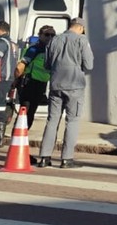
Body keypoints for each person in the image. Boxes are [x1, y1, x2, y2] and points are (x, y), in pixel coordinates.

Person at [37, 18, 94, 169]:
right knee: (72, 121)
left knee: (52, 120)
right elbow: (89, 64)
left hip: (56, 85)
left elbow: (47, 64)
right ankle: (66, 159)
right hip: (74, 85)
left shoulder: (54, 40)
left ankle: (44, 157)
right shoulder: (82, 40)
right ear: (81, 28)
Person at [16, 26, 56, 130]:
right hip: (29, 83)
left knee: (32, 111)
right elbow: (21, 65)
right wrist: (15, 80)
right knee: (25, 110)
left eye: (52, 35)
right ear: (40, 35)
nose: (50, 37)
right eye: (47, 34)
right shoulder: (34, 49)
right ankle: (17, 135)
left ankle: (23, 135)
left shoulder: (52, 51)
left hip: (41, 85)